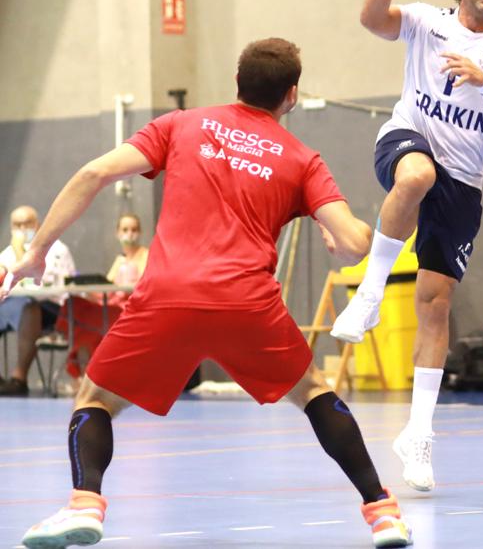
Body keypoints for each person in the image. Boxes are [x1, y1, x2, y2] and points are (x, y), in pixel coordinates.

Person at [1, 38, 411, 548]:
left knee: (96, 398)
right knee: (313, 393)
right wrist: (338, 232)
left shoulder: (181, 125)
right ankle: (382, 513)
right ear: (292, 96)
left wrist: (36, 252)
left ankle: (85, 505)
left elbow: (94, 173)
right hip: (247, 302)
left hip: (167, 295)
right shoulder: (303, 159)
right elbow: (354, 244)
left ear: (237, 83)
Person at [330, 0, 483, 493]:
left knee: (436, 301)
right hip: (407, 139)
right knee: (414, 177)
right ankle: (369, 296)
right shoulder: (426, 20)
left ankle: (418, 433)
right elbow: (371, 18)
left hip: (465, 180)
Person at [57, 213, 150, 384]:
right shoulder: (120, 259)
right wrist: (86, 289)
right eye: (125, 229)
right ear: (118, 233)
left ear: (140, 232)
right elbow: (108, 287)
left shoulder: (145, 255)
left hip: (127, 311)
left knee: (85, 324)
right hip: (109, 306)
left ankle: (89, 378)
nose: (130, 234)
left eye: (134, 229)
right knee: (74, 303)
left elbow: (141, 286)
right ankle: (86, 376)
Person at [0, 205, 76, 396]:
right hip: (11, 305)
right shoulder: (7, 253)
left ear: (38, 224)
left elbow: (38, 287)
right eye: (17, 225)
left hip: (50, 308)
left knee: (29, 306)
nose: (22, 229)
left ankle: (19, 379)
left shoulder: (56, 249)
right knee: (20, 304)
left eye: (27, 223)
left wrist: (20, 253)